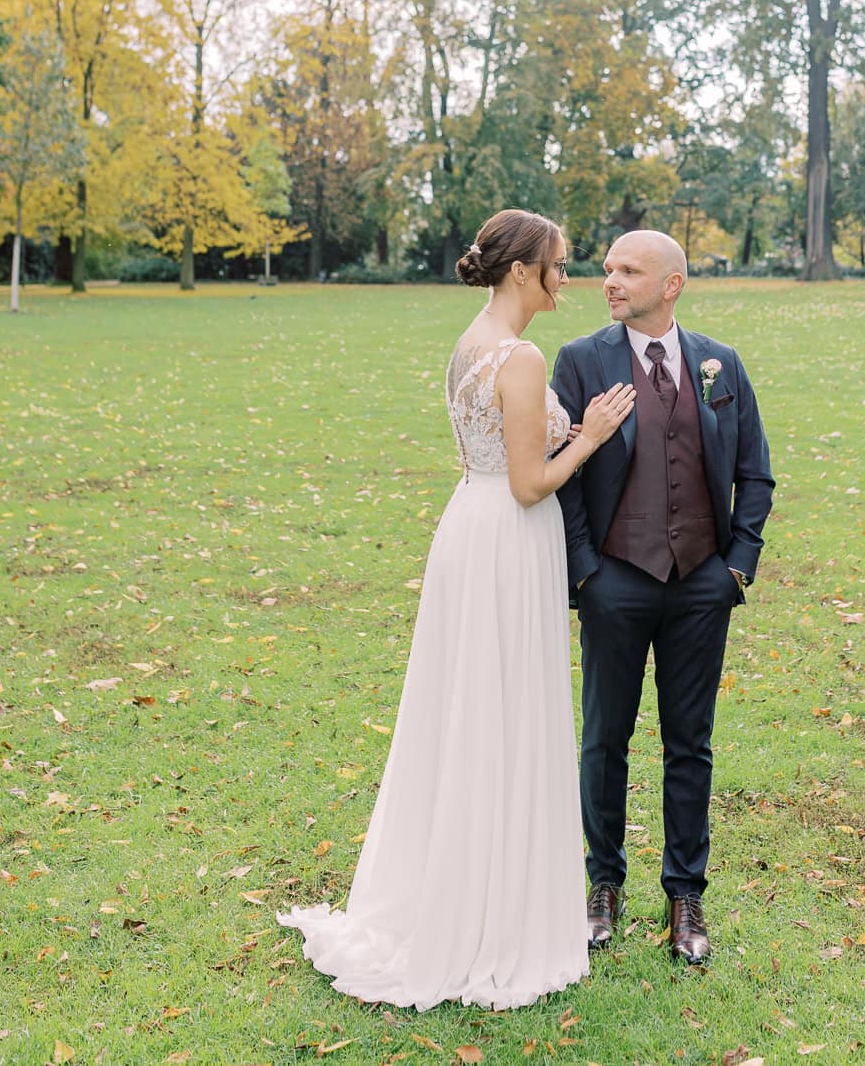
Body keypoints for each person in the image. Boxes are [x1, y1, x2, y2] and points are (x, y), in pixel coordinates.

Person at [278, 208, 635, 1010]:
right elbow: (529, 481)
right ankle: (494, 918)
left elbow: (492, 455)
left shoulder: (469, 344)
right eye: (559, 265)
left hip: (470, 528)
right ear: (523, 272)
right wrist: (593, 435)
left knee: (469, 708)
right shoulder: (522, 355)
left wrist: (556, 435)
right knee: (499, 709)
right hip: (508, 534)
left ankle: (474, 883)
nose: (567, 278)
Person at [551, 230, 775, 966]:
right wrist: (587, 573)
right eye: (608, 268)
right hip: (615, 583)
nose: (608, 280)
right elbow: (567, 474)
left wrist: (734, 569)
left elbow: (756, 473)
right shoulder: (582, 361)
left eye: (627, 270)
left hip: (700, 587)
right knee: (603, 739)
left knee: (691, 744)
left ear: (671, 283)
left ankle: (685, 892)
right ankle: (603, 883)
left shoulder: (721, 363)